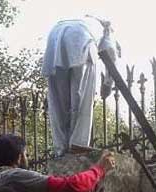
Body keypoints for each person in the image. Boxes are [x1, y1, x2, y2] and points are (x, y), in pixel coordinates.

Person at [43, 17, 119, 156]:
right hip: (82, 39)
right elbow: (111, 54)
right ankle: (78, 145)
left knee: (58, 102)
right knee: (82, 99)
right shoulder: (106, 28)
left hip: (54, 37)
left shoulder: (87, 19)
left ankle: (61, 148)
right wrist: (108, 84)